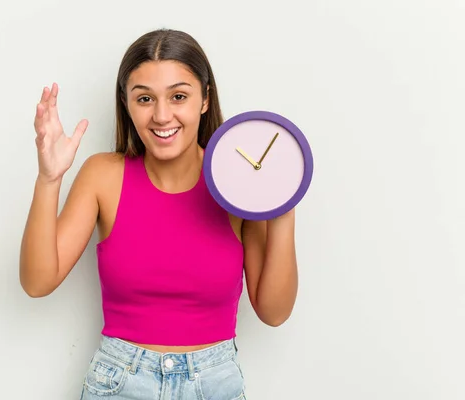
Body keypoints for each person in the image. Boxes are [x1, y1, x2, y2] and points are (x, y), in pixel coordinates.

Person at [19, 28, 298, 399]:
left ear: (204, 99)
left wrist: (282, 206)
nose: (162, 115)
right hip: (120, 382)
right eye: (145, 98)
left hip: (215, 383)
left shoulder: (237, 184)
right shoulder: (103, 175)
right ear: (126, 103)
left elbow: (274, 312)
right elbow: (38, 282)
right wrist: (49, 179)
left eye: (179, 96)